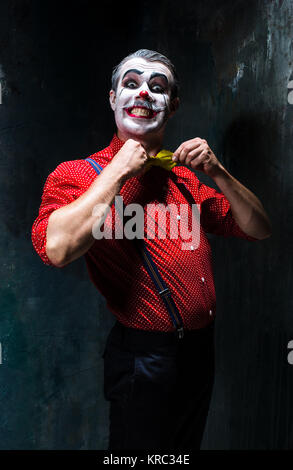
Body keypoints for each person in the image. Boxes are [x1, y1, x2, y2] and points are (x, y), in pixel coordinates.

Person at [31, 49, 271, 450]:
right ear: (112, 98)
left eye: (157, 88)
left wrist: (217, 170)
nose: (143, 93)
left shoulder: (183, 179)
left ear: (172, 106)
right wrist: (119, 170)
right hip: (144, 361)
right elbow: (56, 249)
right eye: (131, 83)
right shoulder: (76, 175)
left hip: (200, 352)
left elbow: (259, 227)